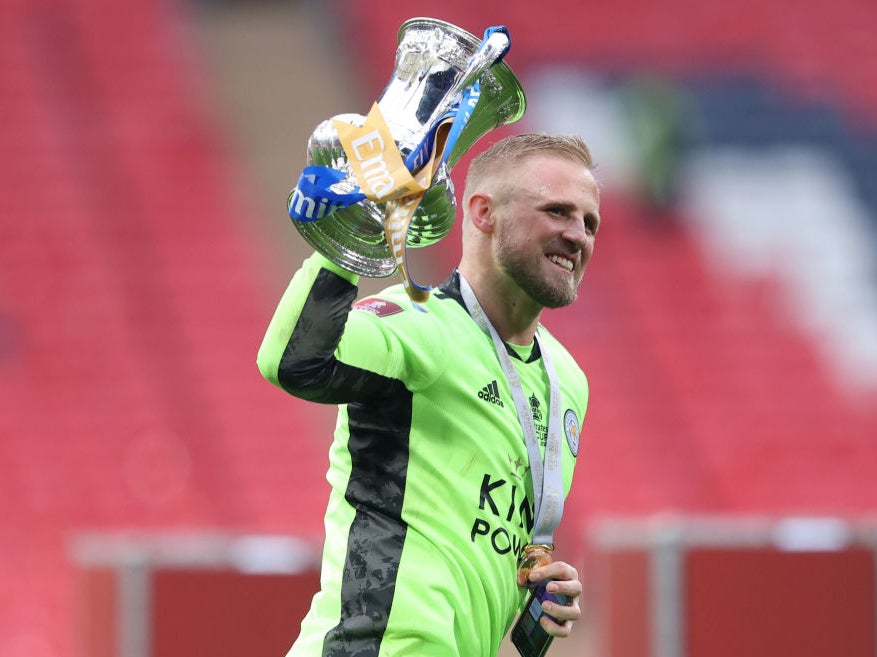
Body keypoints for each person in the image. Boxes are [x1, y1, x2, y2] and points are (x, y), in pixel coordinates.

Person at [257, 133, 601, 657]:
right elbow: (294, 362)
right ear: (483, 213)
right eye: (557, 211)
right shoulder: (418, 324)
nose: (578, 235)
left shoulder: (567, 383)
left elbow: (486, 542)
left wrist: (533, 593)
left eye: (589, 221)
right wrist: (354, 236)